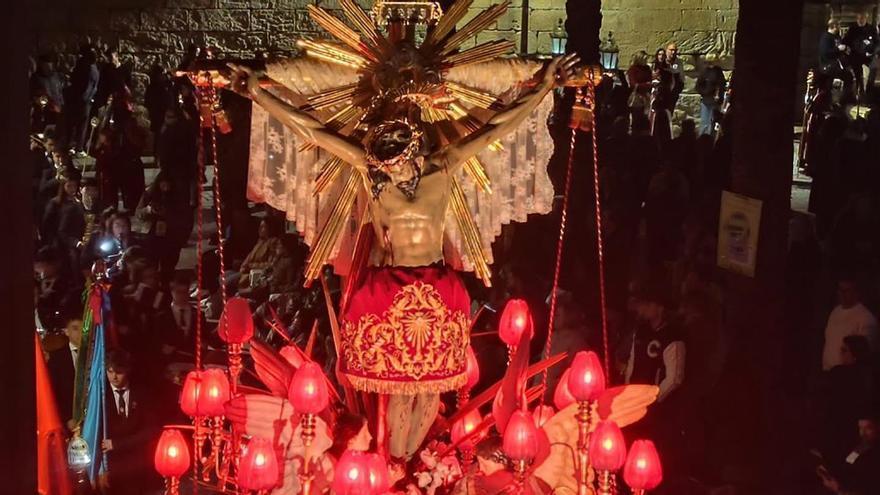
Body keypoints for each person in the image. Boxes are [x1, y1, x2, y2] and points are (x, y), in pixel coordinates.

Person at [230, 52, 581, 459]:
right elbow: (313, 129)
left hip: (436, 286)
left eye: (396, 166)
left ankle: (415, 459)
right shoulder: (370, 169)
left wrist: (544, 87)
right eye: (384, 167)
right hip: (388, 287)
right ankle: (396, 460)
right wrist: (258, 93)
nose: (389, 174)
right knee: (394, 396)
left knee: (430, 391)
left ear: (413, 155)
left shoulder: (443, 166)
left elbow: (498, 125)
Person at [101, 349, 162, 495]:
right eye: (110, 371)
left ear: (127, 370)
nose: (114, 377)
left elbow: (151, 431)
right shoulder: (100, 397)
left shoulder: (142, 393)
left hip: (137, 465)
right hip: (111, 467)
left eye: (118, 372)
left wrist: (117, 444)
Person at [821, 335, 875, 460]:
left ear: (855, 354)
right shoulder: (870, 376)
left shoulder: (839, 373)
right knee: (853, 457)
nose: (840, 353)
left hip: (845, 431)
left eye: (844, 350)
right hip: (858, 436)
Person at [93, 92, 148, 210]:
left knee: (131, 197)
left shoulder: (132, 122)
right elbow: (99, 144)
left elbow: (140, 142)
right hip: (111, 162)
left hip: (128, 162)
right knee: (110, 198)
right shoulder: (108, 119)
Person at [822, 277, 878, 371]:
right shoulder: (835, 312)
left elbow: (864, 356)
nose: (842, 293)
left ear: (856, 292)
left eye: (846, 290)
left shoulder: (866, 318)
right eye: (840, 289)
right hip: (829, 373)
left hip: (849, 377)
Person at [817, 413, 880, 495]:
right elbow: (848, 464)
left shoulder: (876, 454)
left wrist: (840, 489)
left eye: (868, 428)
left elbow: (868, 485)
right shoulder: (860, 447)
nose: (862, 433)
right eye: (860, 428)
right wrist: (828, 472)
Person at [63, 45, 99, 154]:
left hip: (80, 100)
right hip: (85, 100)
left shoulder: (85, 66)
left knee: (76, 123)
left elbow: (81, 83)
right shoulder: (93, 68)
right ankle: (77, 146)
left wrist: (81, 97)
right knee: (81, 124)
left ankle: (73, 146)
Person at [843, 11, 878, 100]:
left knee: (871, 76)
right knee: (858, 77)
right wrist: (846, 48)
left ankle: (869, 95)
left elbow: (877, 43)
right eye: (858, 18)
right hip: (856, 57)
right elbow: (846, 40)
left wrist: (872, 51)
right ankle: (859, 93)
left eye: (862, 18)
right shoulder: (853, 28)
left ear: (866, 18)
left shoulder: (871, 29)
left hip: (868, 58)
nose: (860, 20)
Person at [30, 54, 64, 131]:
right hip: (42, 112)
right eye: (45, 65)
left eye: (49, 65)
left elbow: (59, 91)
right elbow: (33, 94)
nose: (47, 67)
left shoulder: (56, 76)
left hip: (56, 110)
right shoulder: (36, 77)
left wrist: (61, 105)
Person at [695, 58, 727, 136]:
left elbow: (722, 85)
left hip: (716, 101)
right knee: (705, 123)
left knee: (714, 123)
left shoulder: (718, 71)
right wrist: (706, 93)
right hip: (706, 100)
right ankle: (703, 141)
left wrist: (720, 96)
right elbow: (698, 86)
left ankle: (711, 142)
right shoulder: (704, 71)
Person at [626, 50, 652, 121]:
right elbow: (633, 84)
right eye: (644, 59)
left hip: (646, 97)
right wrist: (646, 85)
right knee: (636, 117)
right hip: (637, 96)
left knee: (646, 118)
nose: (646, 61)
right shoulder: (633, 69)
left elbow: (650, 79)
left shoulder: (647, 68)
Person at [665, 43, 685, 110]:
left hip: (674, 93)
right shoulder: (662, 61)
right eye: (671, 50)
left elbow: (681, 77)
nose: (673, 52)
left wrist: (678, 89)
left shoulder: (679, 62)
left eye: (675, 50)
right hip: (663, 92)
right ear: (667, 50)